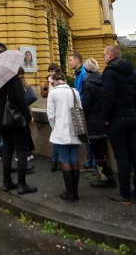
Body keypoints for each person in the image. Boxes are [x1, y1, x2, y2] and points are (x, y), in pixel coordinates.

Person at [101, 45, 136, 205]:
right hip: (130, 118)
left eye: (104, 54)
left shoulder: (110, 73)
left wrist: (106, 118)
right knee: (134, 154)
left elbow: (108, 98)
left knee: (121, 156)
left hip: (116, 120)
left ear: (111, 55)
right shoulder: (131, 72)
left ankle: (124, 194)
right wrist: (131, 112)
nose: (104, 57)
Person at [0, 68, 37, 195]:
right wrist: (27, 118)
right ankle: (21, 184)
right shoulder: (14, 81)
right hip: (17, 123)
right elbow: (22, 102)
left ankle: (6, 182)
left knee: (7, 152)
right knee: (21, 152)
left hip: (2, 122)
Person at [47, 73, 82, 201]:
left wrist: (54, 128)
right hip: (75, 130)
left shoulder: (53, 93)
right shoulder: (74, 92)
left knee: (64, 160)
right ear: (65, 80)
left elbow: (50, 115)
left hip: (60, 130)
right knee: (74, 159)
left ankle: (70, 193)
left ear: (56, 81)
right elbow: (80, 110)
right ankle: (75, 192)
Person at [81, 58, 115, 189]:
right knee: (104, 151)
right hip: (105, 121)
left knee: (98, 152)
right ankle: (107, 176)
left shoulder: (87, 83)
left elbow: (86, 104)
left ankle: (107, 178)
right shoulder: (103, 80)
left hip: (93, 122)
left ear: (87, 69)